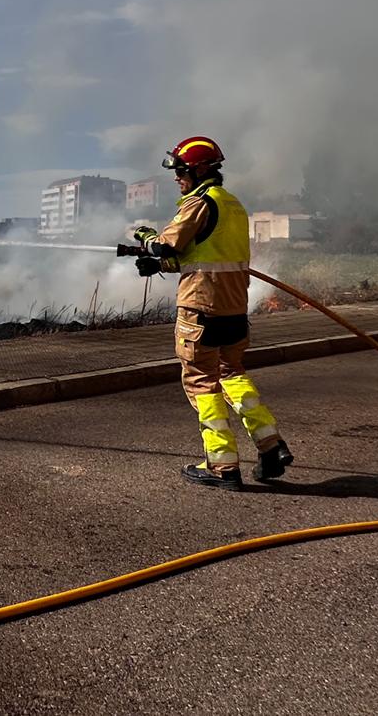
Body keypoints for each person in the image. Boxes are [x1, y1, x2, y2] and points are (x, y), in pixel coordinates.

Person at [132, 136, 293, 490]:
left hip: (200, 312)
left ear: (199, 169)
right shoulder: (233, 205)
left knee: (203, 383)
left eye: (179, 170)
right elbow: (202, 255)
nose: (176, 177)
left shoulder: (198, 203)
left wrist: (146, 239)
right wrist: (161, 264)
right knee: (232, 374)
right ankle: (270, 445)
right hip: (234, 309)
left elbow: (167, 243)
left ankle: (221, 467)